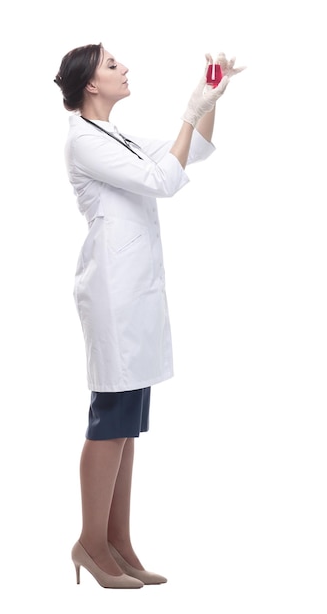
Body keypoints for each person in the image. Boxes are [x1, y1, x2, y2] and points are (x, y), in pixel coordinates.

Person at [54, 43, 244, 589]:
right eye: (112, 65)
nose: (124, 68)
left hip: (135, 292)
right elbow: (164, 181)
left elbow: (196, 150)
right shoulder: (84, 142)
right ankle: (90, 545)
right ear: (90, 84)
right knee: (109, 419)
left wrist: (209, 97)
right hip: (113, 294)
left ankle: (119, 543)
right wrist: (186, 113)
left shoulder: (115, 136)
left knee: (128, 426)